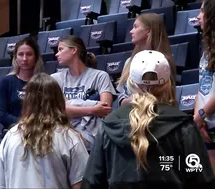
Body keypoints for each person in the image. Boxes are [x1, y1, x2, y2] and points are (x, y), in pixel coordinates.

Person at [81, 50, 215, 189]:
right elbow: (202, 181)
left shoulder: (108, 125)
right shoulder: (184, 126)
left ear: (130, 84)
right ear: (168, 84)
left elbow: (92, 182)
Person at [0, 73, 89, 189]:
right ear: (59, 100)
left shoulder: (9, 137)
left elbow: (1, 185)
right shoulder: (70, 137)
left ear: (27, 101)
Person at [51, 35, 116, 149]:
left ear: (74, 50)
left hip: (92, 135)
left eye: (61, 49)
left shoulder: (100, 76)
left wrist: (69, 104)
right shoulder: (55, 78)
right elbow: (59, 111)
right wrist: (92, 108)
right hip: (64, 133)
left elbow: (105, 109)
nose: (57, 54)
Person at [116, 13, 177, 107]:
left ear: (148, 31)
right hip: (130, 115)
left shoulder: (164, 63)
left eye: (135, 27)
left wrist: (136, 99)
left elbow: (164, 97)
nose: (131, 32)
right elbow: (122, 97)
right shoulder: (129, 62)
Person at [0, 37, 43, 130]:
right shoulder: (5, 82)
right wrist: (26, 124)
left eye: (29, 54)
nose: (24, 59)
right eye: (21, 54)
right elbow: (2, 115)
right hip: (13, 131)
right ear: (15, 57)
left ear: (36, 57)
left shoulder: (43, 82)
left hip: (40, 130)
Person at [194, 0, 215, 172]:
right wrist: (199, 120)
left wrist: (201, 115)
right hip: (207, 123)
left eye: (202, 12)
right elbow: (201, 87)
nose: (198, 17)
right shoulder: (206, 49)